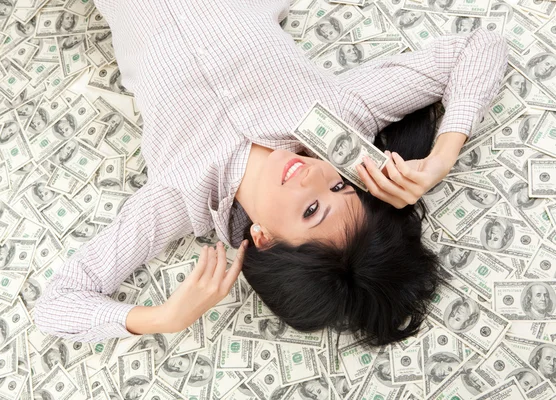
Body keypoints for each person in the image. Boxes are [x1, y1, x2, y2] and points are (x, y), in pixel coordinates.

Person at [32, 0, 508, 347]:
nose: (314, 176)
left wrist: (160, 317)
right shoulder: (341, 117)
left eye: (312, 209)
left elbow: (56, 303)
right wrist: (443, 155)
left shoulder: (177, 196)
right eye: (342, 183)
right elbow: (479, 46)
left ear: (263, 240)